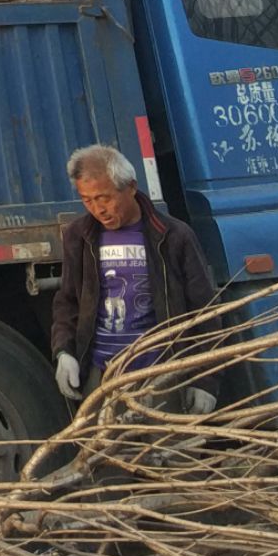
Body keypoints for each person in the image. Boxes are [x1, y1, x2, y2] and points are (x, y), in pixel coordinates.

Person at [50, 144, 219, 411]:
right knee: (102, 452)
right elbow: (67, 302)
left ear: (130, 187)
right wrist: (64, 352)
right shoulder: (79, 237)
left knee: (167, 452)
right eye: (87, 200)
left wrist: (206, 381)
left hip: (162, 375)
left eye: (104, 198)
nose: (98, 209)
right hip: (102, 376)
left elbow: (205, 311)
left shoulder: (173, 236)